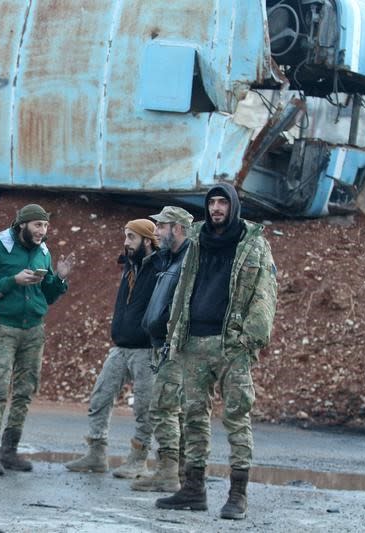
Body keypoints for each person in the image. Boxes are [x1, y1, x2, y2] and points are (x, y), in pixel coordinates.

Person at [155, 183, 277, 520]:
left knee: (236, 417)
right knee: (193, 416)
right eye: (212, 203)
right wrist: (174, 331)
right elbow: (183, 288)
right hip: (194, 341)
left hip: (230, 345)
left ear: (233, 206)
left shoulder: (252, 244)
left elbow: (265, 296)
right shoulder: (197, 240)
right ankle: (193, 488)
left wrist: (248, 340)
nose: (217, 209)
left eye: (223, 203)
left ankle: (238, 494)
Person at [0, 203, 76, 476]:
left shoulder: (43, 251)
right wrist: (13, 280)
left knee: (25, 390)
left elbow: (48, 296)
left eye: (45, 226)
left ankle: (9, 451)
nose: (42, 231)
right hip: (3, 328)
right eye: (37, 225)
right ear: (22, 225)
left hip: (34, 330)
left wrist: (60, 279)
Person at [65, 219, 160, 478]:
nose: (126, 242)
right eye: (126, 236)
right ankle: (96, 454)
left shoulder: (161, 268)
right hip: (120, 346)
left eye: (131, 237)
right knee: (100, 397)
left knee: (144, 406)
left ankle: (138, 459)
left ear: (147, 241)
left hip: (146, 350)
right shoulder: (129, 266)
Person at [131, 206, 194, 492]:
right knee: (172, 409)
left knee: (164, 408)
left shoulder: (189, 261)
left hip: (174, 346)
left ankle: (168, 472)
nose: (156, 232)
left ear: (177, 229)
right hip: (161, 343)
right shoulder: (169, 259)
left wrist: (172, 338)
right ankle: (176, 470)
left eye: (162, 226)